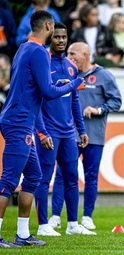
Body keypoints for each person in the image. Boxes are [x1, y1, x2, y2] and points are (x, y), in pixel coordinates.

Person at [0, 10, 84, 247]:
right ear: (48, 26)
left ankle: (23, 235)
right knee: (8, 180)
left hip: (20, 119)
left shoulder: (24, 48)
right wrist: (75, 84)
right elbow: (47, 93)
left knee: (35, 176)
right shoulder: (39, 51)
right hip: (20, 121)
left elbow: (39, 85)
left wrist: (59, 83)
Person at [48, 42, 122, 230]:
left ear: (86, 55)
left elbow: (116, 101)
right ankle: (55, 215)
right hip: (68, 134)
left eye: (73, 53)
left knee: (91, 176)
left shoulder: (103, 76)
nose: (69, 56)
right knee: (61, 175)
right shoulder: (66, 73)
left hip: (94, 135)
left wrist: (98, 109)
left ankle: (87, 216)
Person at [34, 22, 96, 236]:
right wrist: (41, 132)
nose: (60, 40)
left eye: (64, 37)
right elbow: (37, 101)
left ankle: (72, 224)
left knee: (71, 178)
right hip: (49, 132)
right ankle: (43, 225)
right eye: (56, 37)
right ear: (49, 37)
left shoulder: (71, 66)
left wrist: (81, 129)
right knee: (44, 179)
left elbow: (74, 99)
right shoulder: (42, 62)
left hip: (69, 133)